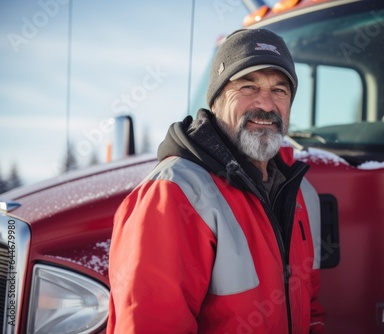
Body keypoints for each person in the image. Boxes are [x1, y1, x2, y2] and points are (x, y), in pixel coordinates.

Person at [107, 28, 325, 334]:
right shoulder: (175, 195)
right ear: (217, 100)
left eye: (280, 90)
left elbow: (310, 307)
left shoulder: (301, 194)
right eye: (248, 87)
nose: (266, 104)